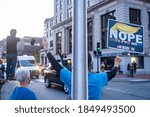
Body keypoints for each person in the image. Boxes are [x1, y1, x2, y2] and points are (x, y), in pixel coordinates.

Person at [44, 48, 121, 100]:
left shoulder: (71, 78)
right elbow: (112, 73)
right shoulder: (99, 78)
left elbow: (55, 65)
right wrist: (116, 63)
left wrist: (46, 49)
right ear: (90, 64)